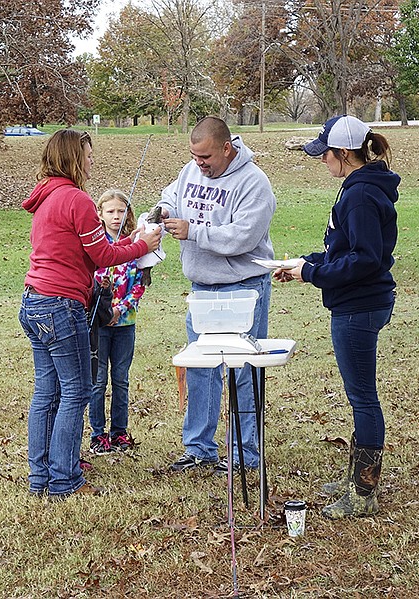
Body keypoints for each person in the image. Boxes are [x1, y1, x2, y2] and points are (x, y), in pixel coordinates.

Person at [18, 130, 161, 500]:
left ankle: (40, 478)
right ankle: (64, 480)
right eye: (88, 155)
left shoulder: (46, 197)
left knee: (46, 391)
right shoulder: (76, 199)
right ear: (72, 158)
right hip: (61, 306)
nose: (92, 162)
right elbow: (103, 256)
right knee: (77, 391)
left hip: (33, 301)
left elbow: (95, 249)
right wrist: (143, 244)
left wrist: (132, 242)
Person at [274, 114, 399, 519]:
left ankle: (363, 493)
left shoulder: (360, 195)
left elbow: (364, 260)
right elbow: (344, 251)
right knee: (359, 394)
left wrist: (311, 273)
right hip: (356, 301)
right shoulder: (358, 189)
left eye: (325, 153)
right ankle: (356, 478)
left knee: (362, 397)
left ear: (344, 153)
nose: (321, 160)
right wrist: (305, 262)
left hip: (358, 306)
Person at [158, 116, 276, 473]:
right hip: (201, 288)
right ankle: (199, 449)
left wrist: (194, 232)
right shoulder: (191, 171)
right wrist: (165, 210)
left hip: (244, 286)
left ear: (227, 148)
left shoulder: (255, 183)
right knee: (201, 367)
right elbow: (172, 195)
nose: (199, 164)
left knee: (244, 371)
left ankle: (244, 454)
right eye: (194, 157)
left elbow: (243, 237)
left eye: (205, 157)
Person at [89, 189, 147, 455]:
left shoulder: (134, 246)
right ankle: (97, 433)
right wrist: (105, 312)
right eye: (110, 211)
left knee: (120, 378)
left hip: (125, 324)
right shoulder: (95, 245)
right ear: (99, 214)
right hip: (99, 325)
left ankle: (119, 432)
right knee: (98, 380)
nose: (115, 216)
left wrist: (120, 309)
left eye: (120, 211)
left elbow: (140, 285)